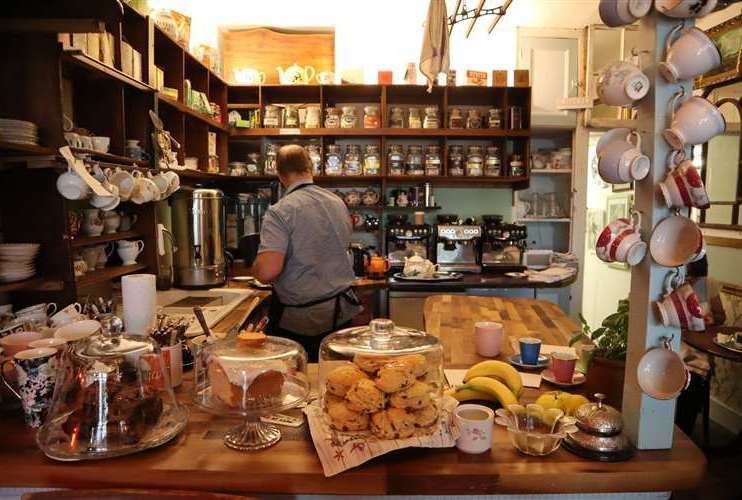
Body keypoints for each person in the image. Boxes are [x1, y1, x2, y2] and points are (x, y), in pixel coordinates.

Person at [253, 144, 361, 361]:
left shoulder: (281, 211)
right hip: (340, 312)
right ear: (310, 168)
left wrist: (254, 266)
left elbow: (267, 272)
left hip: (301, 321)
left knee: (299, 381)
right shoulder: (337, 202)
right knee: (334, 380)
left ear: (279, 173)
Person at [676, 256, 725, 436]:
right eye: (689, 277)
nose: (693, 283)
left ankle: (683, 434)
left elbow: (721, 316)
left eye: (696, 278)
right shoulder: (670, 283)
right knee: (677, 372)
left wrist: (712, 319)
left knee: (695, 378)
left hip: (698, 350)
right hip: (675, 345)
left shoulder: (707, 284)